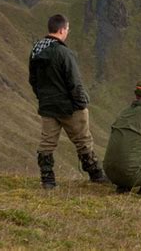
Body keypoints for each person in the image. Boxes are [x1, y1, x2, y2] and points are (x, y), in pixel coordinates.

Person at [29, 14, 105, 189]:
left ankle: (47, 180)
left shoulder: (36, 51)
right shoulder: (64, 53)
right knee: (83, 140)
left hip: (47, 106)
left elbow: (33, 80)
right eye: (68, 29)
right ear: (62, 29)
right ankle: (96, 175)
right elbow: (74, 82)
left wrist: (42, 98)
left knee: (47, 143)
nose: (68, 32)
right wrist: (81, 104)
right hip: (69, 106)